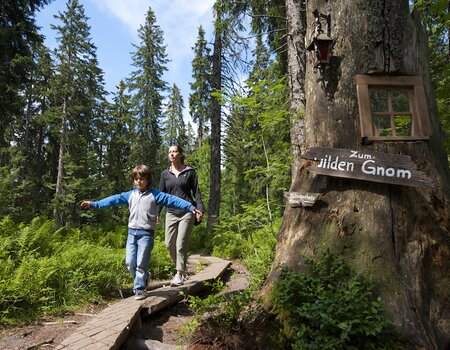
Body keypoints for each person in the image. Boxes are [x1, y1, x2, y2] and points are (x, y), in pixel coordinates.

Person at [81, 164, 202, 300]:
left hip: (146, 235)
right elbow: (113, 200)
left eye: (142, 179)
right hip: (131, 234)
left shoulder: (155, 195)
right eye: (136, 179)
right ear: (134, 180)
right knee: (130, 263)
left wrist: (190, 207)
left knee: (141, 264)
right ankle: (143, 279)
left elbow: (173, 200)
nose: (139, 181)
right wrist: (94, 204)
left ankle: (139, 288)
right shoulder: (130, 195)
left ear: (148, 180)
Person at [159, 145, 204, 287]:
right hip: (171, 212)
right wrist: (156, 213)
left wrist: (200, 210)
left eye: (175, 151)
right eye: (170, 152)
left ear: (180, 154)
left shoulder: (189, 172)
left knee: (181, 244)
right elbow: (161, 196)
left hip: (187, 212)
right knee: (169, 244)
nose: (172, 154)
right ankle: (182, 268)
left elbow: (197, 192)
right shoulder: (165, 174)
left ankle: (179, 274)